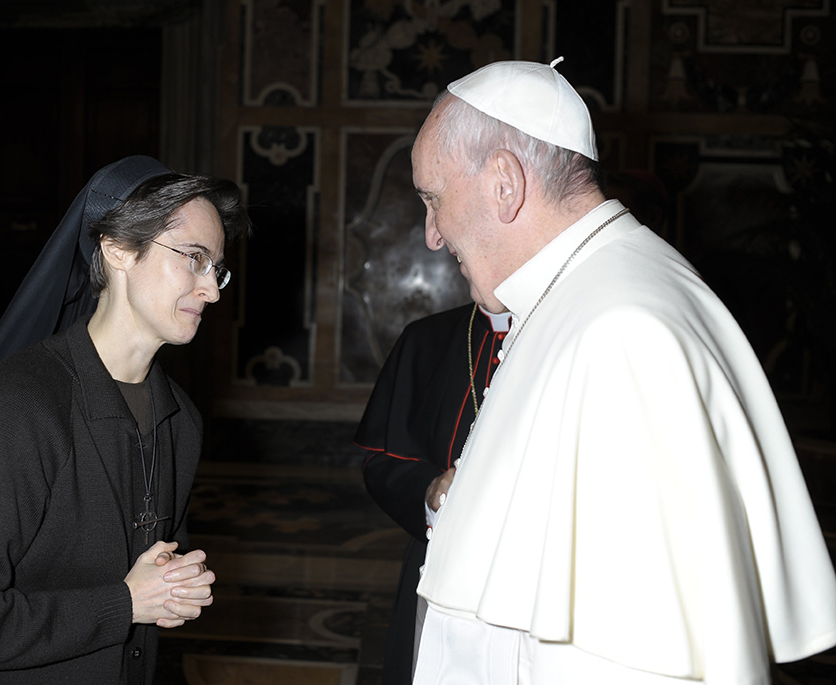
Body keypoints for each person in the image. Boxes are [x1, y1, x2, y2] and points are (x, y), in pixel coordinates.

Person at [410, 58, 836, 684]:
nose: (432, 236)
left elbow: (638, 655)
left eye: (433, 200)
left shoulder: (622, 332)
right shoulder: (585, 291)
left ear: (504, 182)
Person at [0, 156, 250, 684]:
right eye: (194, 258)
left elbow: (148, 578)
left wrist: (175, 586)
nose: (213, 290)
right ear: (117, 249)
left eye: (218, 268)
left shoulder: (181, 419)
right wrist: (125, 603)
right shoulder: (17, 411)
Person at [355, 302, 510, 684]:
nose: (434, 239)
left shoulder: (577, 332)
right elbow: (382, 460)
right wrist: (428, 490)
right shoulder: (428, 337)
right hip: (435, 561)